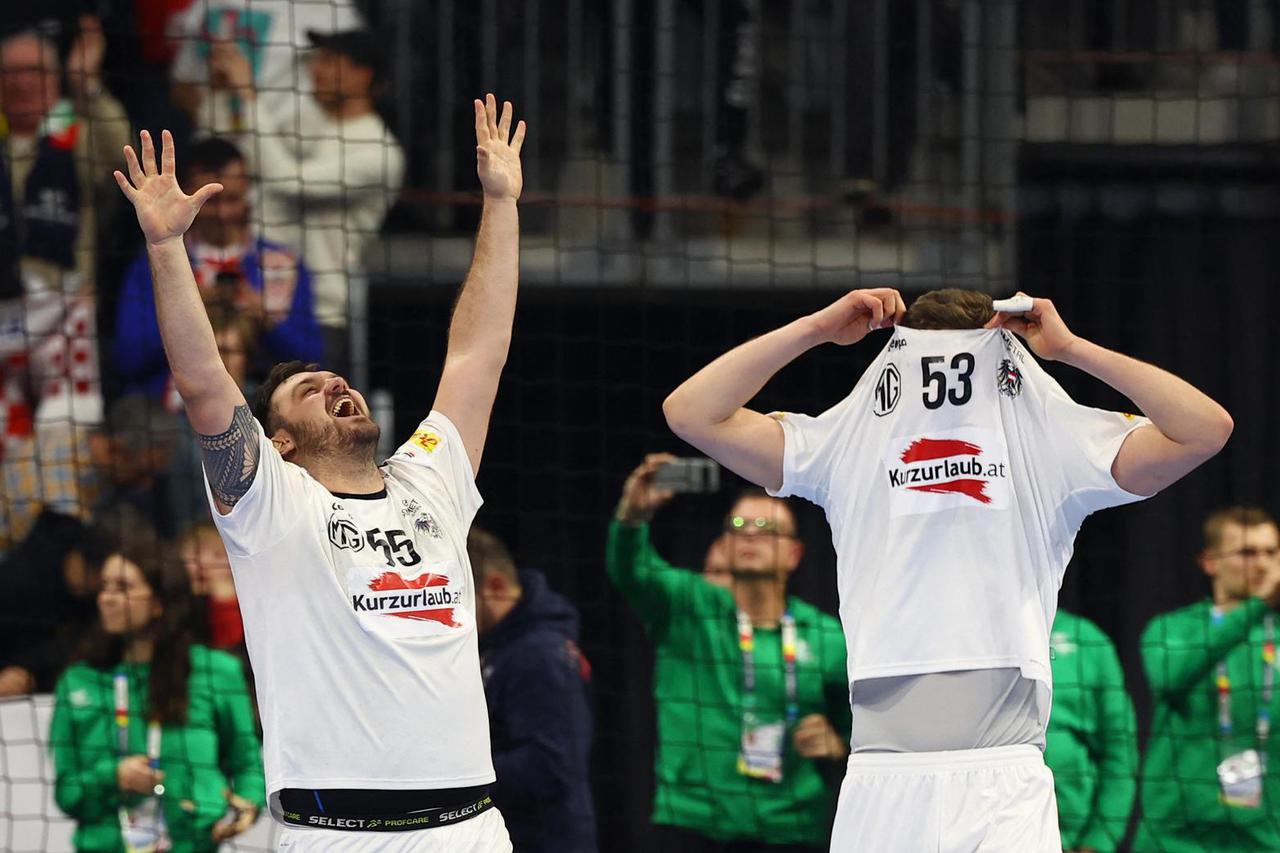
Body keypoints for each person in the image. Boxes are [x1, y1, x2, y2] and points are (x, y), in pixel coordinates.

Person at [663, 287, 1233, 851]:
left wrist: (1072, 349)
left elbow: (1205, 430)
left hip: (1000, 779)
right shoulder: (845, 442)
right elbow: (690, 414)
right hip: (882, 780)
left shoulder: (1050, 441)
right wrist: (814, 326)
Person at [111, 93, 524, 849]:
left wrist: (500, 202)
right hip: (336, 832)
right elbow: (204, 380)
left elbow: (476, 355)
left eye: (339, 381)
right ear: (281, 443)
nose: (339, 385)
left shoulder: (428, 480)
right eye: (311, 390)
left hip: (467, 828)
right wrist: (168, 247)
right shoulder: (271, 503)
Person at [608, 454, 851, 852]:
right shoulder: (687, 607)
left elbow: (862, 727)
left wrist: (839, 743)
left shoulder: (826, 637)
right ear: (724, 544)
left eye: (767, 528)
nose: (751, 535)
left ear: (794, 554)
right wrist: (632, 515)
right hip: (691, 826)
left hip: (789, 829)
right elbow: (630, 568)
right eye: (739, 526)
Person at [204, 27, 405, 369]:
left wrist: (247, 92)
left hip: (313, 316)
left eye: (329, 61)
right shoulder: (307, 120)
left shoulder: (380, 152)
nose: (315, 70)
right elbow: (236, 156)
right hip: (246, 297)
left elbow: (288, 182)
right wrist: (224, 94)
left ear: (362, 74)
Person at [48, 543, 264, 852]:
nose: (106, 598)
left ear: (159, 602)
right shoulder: (79, 681)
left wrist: (249, 803)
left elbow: (247, 763)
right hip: (105, 844)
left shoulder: (216, 672)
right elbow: (66, 793)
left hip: (193, 844)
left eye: (123, 587)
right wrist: (113, 775)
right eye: (105, 586)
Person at [115, 135, 323, 403]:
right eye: (211, 202)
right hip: (166, 406)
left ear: (247, 191)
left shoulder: (281, 265)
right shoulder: (156, 263)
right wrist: (186, 309)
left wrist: (265, 320)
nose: (224, 213)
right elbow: (129, 359)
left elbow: (314, 359)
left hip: (261, 402)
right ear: (188, 191)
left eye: (232, 199)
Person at [1134, 506, 1280, 852]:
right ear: (1209, 561)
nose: (1261, 564)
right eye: (1247, 552)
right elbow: (1171, 677)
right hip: (1174, 838)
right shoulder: (1171, 629)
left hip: (1262, 839)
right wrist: (1258, 605)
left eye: (1271, 553)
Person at [467, 527, 597, 853]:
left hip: (545, 840)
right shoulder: (498, 645)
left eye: (461, 593)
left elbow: (552, 765)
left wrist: (460, 775)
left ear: (495, 586)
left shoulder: (539, 653)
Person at [168, 0, 364, 131]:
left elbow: (354, 75)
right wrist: (211, 123)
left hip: (290, 151)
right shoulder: (210, 4)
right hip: (216, 152)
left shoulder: (330, 6)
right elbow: (182, 83)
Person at [1044, 608, 1138, 853]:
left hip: (1073, 840)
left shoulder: (1087, 639)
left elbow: (1120, 752)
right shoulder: (976, 635)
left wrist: (1097, 841)